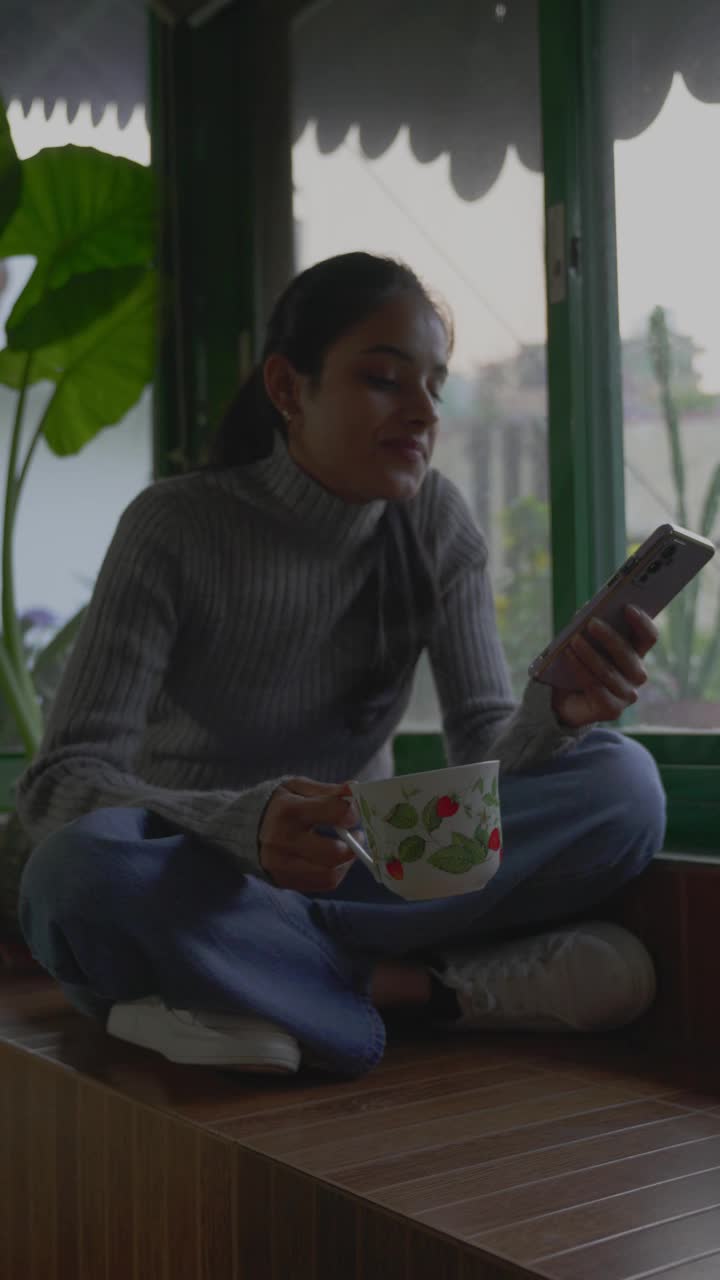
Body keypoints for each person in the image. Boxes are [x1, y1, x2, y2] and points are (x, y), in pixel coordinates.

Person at [16, 252, 665, 1078]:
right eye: (385, 380)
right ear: (289, 389)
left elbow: (481, 762)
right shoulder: (175, 527)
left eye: (434, 384)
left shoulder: (437, 523)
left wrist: (557, 713)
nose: (424, 412)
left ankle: (246, 976)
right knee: (75, 873)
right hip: (204, 868)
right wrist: (243, 826)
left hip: (366, 863)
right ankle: (427, 987)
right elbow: (59, 781)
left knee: (623, 784)